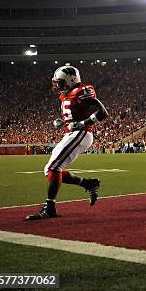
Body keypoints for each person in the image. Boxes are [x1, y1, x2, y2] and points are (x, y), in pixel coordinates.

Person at [26, 66, 108, 220]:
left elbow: (103, 113)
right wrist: (63, 122)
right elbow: (73, 116)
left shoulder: (81, 92)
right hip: (72, 133)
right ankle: (88, 184)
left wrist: (81, 123)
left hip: (81, 133)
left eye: (61, 82)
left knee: (53, 168)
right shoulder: (66, 95)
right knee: (49, 171)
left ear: (71, 80)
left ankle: (49, 208)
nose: (58, 86)